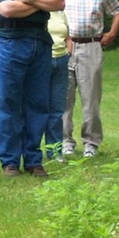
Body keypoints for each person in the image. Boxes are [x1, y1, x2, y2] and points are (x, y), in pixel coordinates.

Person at [0, 0, 65, 178]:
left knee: (38, 103)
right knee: (9, 103)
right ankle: (10, 161)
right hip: (10, 43)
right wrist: (42, 4)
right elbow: (7, 10)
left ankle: (33, 159)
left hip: (40, 44)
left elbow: (60, 2)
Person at [60, 0, 119, 159]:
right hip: (65, 47)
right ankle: (65, 141)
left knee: (91, 98)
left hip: (91, 46)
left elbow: (117, 10)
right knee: (63, 97)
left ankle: (91, 142)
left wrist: (112, 33)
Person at [45, 9, 71, 161]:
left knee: (57, 107)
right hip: (42, 60)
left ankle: (55, 151)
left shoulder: (61, 12)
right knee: (39, 108)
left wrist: (69, 51)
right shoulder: (36, 10)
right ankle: (32, 151)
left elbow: (68, 36)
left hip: (61, 61)